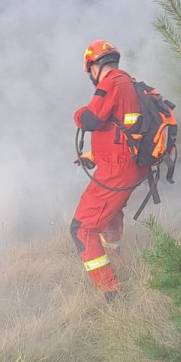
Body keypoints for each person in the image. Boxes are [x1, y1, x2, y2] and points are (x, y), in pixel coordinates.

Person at [70, 40, 149, 299]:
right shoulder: (130, 83)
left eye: (90, 70)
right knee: (111, 214)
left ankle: (112, 293)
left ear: (94, 66)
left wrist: (78, 113)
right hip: (130, 165)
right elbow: (120, 128)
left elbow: (91, 119)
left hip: (118, 170)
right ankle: (116, 256)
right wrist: (96, 155)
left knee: (82, 229)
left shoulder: (110, 83)